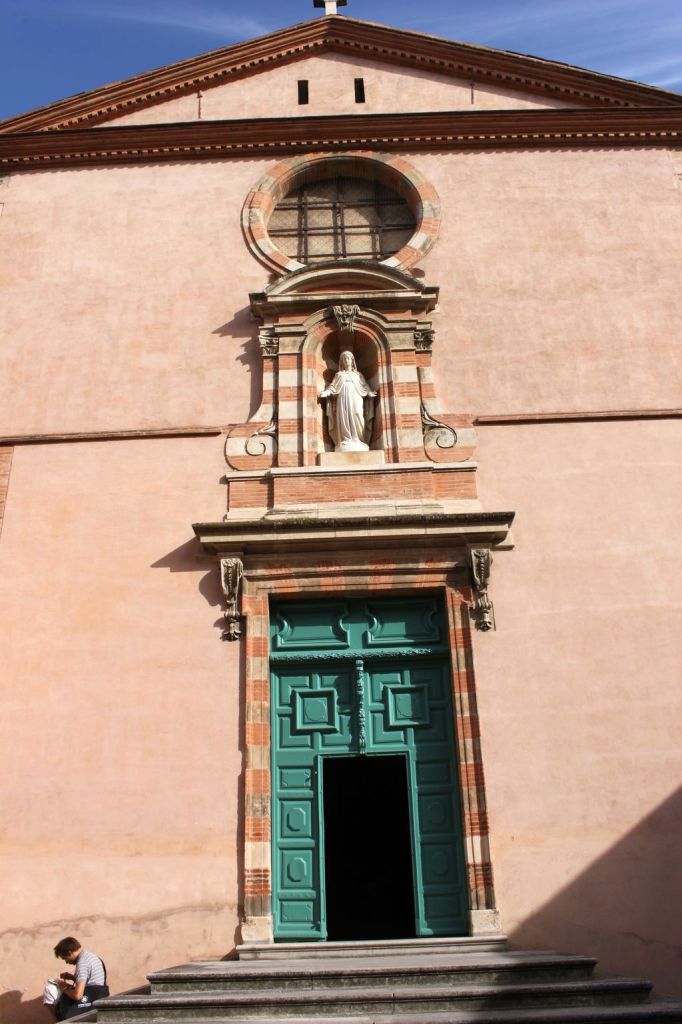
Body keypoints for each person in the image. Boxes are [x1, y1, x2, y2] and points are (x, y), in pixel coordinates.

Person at [319, 350, 377, 452]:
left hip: (356, 396)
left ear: (352, 360)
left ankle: (358, 439)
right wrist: (326, 392)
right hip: (342, 397)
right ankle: (346, 439)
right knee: (343, 416)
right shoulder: (339, 375)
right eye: (344, 358)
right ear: (342, 361)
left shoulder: (358, 375)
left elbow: (364, 386)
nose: (347, 360)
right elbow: (332, 387)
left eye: (348, 358)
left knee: (358, 413)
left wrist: (369, 392)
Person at [46, 937, 109, 1020]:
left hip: (89, 1002)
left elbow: (77, 995)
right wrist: (73, 977)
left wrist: (63, 987)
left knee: (49, 990)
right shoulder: (90, 956)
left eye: (65, 959)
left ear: (69, 953)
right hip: (98, 997)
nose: (66, 962)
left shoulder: (82, 963)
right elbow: (93, 981)